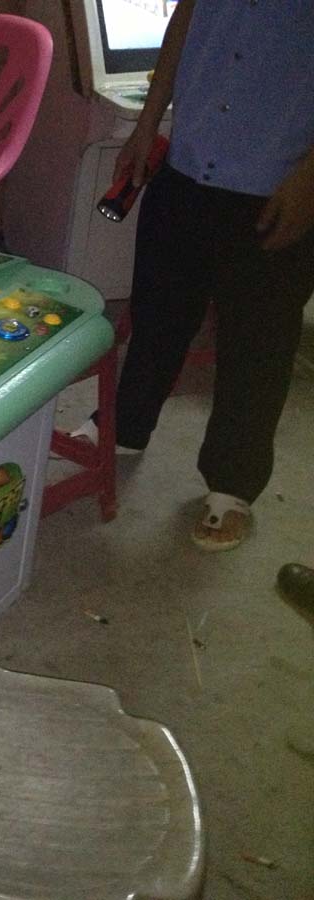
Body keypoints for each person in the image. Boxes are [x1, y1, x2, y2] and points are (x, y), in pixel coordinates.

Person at [95, 0, 314, 552]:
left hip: (277, 183)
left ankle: (232, 486)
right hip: (188, 165)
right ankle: (126, 426)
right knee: (157, 315)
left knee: (257, 347)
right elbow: (185, 21)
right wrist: (147, 124)